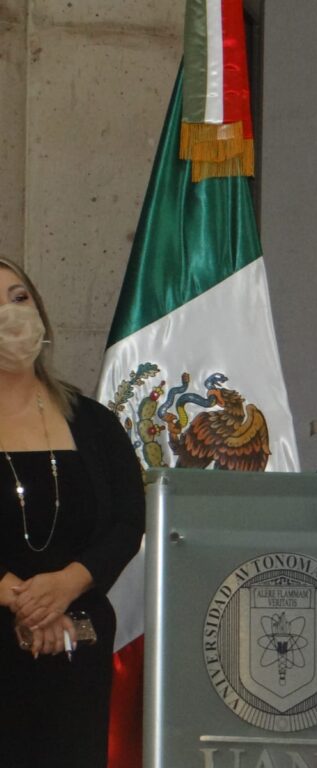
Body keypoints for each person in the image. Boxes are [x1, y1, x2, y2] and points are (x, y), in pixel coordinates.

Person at [0, 258, 145, 768]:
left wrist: (67, 584)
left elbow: (128, 521)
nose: (11, 314)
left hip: (76, 641)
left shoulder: (94, 423)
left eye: (19, 298)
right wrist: (22, 600)